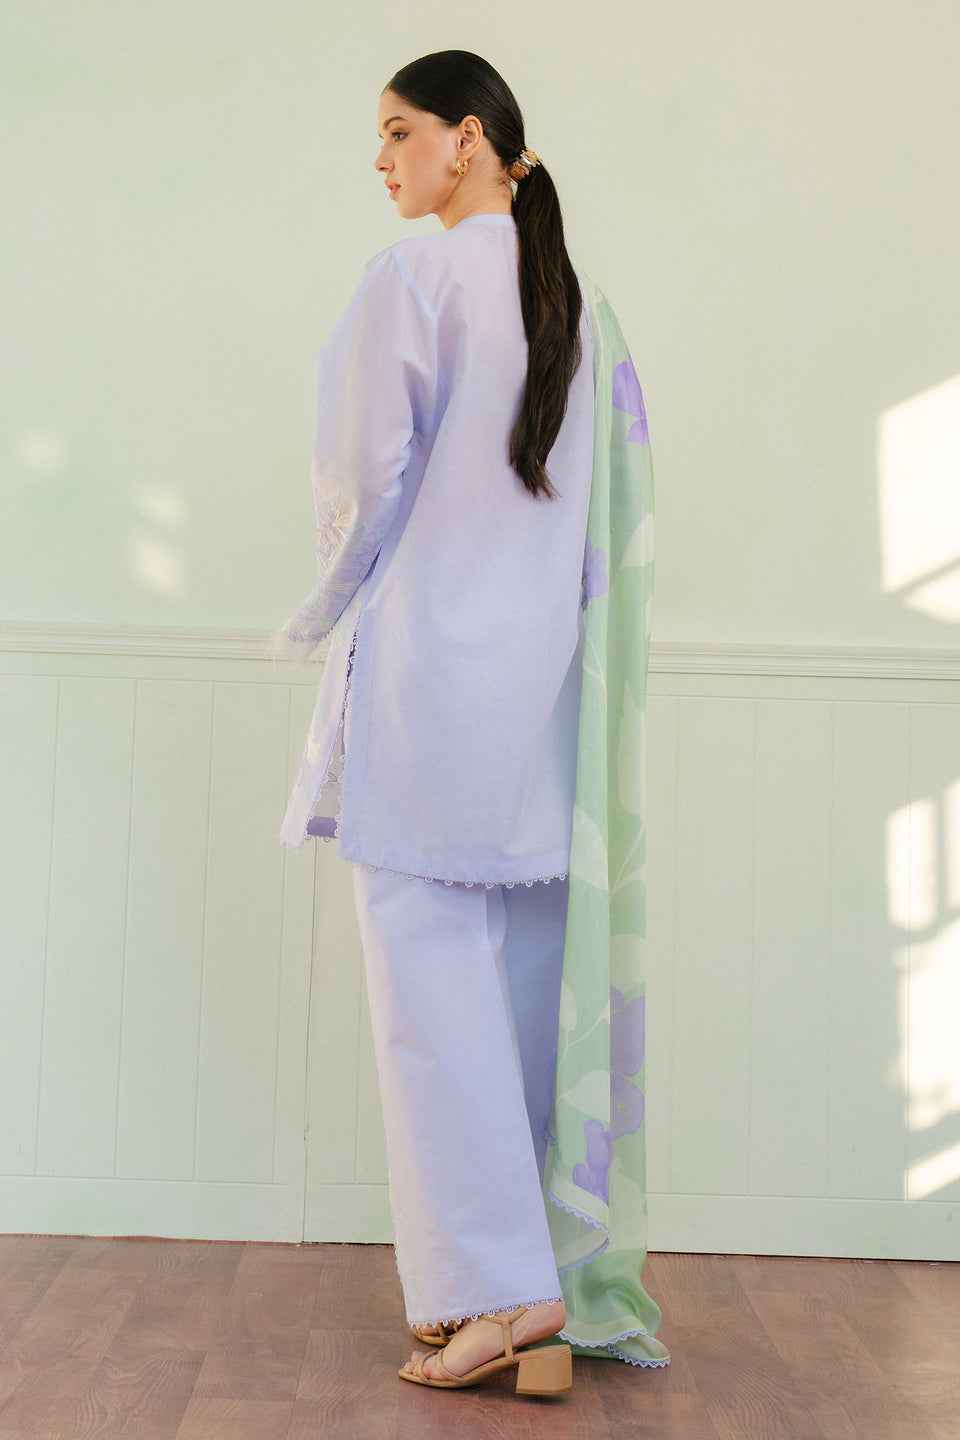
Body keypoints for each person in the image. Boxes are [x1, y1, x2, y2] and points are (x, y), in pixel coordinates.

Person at [275, 49, 669, 1394]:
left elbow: (358, 475)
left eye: (400, 131)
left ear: (471, 138)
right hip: (544, 708)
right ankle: (521, 1282)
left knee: (427, 1004)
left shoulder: (418, 280)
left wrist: (322, 605)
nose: (382, 158)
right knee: (514, 998)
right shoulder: (582, 306)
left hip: (430, 690)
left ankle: (501, 1294)